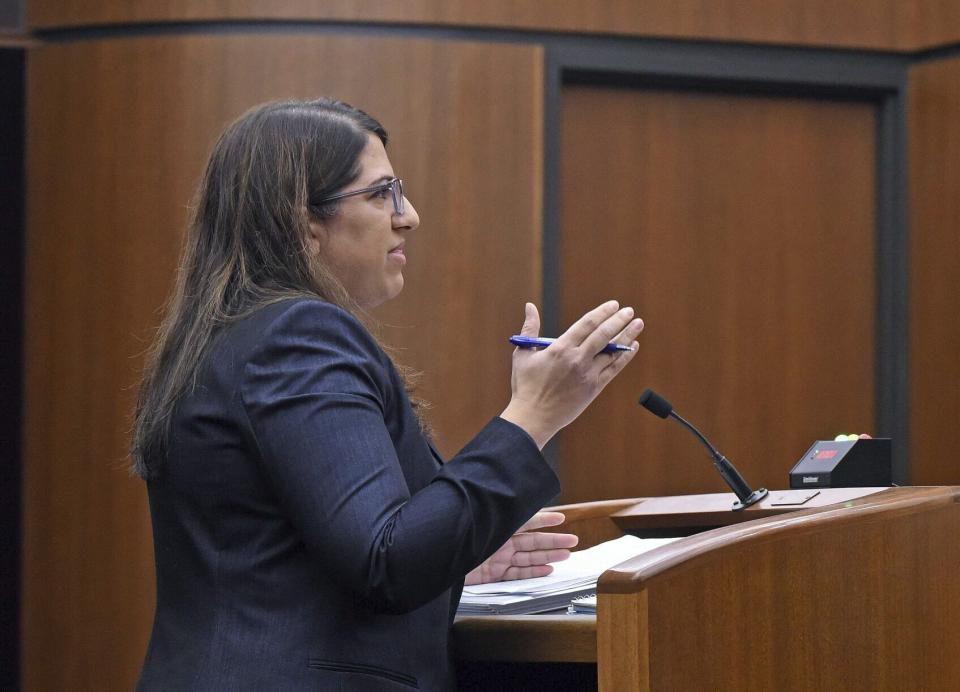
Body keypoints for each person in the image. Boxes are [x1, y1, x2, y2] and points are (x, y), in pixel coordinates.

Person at [131, 98, 645, 691]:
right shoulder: (298, 336)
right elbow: (386, 562)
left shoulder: (232, 333)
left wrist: (457, 567)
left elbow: (293, 555)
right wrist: (532, 417)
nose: (410, 217)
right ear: (304, 220)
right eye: (382, 194)